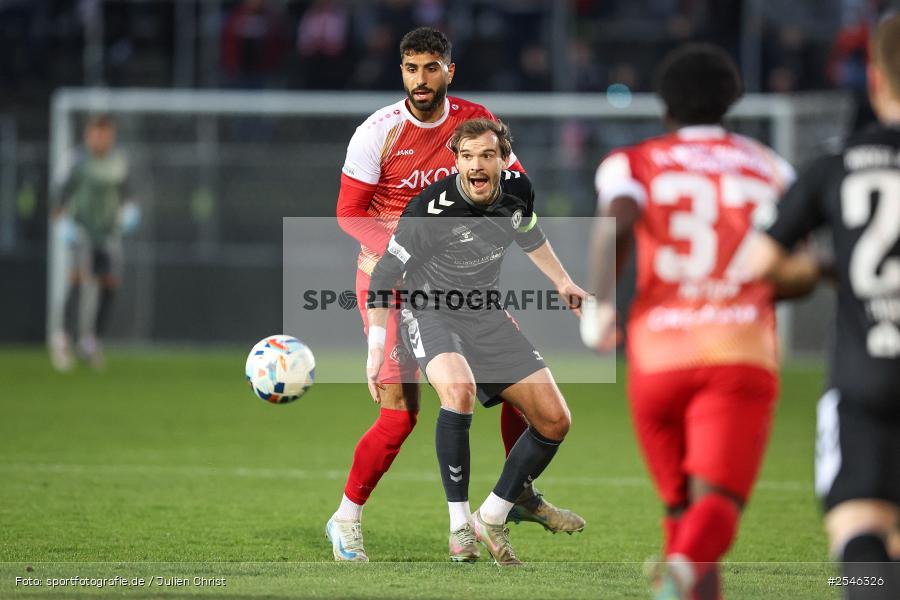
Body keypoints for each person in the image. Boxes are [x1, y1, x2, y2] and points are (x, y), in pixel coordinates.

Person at [328, 27, 585, 562]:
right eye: (410, 69)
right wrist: (405, 251)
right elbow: (349, 212)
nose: (420, 80)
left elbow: (514, 198)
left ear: (449, 70)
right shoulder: (378, 132)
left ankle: (518, 495)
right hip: (393, 275)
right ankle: (346, 517)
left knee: (519, 388)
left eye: (430, 68)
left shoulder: (475, 124)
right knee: (400, 416)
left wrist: (552, 272)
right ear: (401, 72)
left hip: (462, 285)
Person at [581, 44, 818, 599]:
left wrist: (599, 306)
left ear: (665, 105)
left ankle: (682, 571)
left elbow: (616, 222)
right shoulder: (769, 166)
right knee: (717, 506)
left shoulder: (632, 161)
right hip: (738, 352)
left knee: (679, 509)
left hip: (657, 356)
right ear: (732, 102)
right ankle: (682, 566)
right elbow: (797, 270)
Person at [748, 14, 900, 600]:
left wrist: (824, 269)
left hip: (868, 377)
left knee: (860, 534)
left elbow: (759, 264)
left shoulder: (835, 163)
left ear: (877, 81)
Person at [48, 114, 138, 372]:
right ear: (88, 135)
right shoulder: (75, 160)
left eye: (105, 134)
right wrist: (62, 222)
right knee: (77, 279)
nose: (101, 139)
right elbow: (57, 196)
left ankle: (91, 341)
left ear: (111, 136)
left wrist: (130, 212)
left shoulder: (119, 161)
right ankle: (63, 339)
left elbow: (128, 194)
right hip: (80, 231)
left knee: (110, 284)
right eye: (96, 134)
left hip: (109, 233)